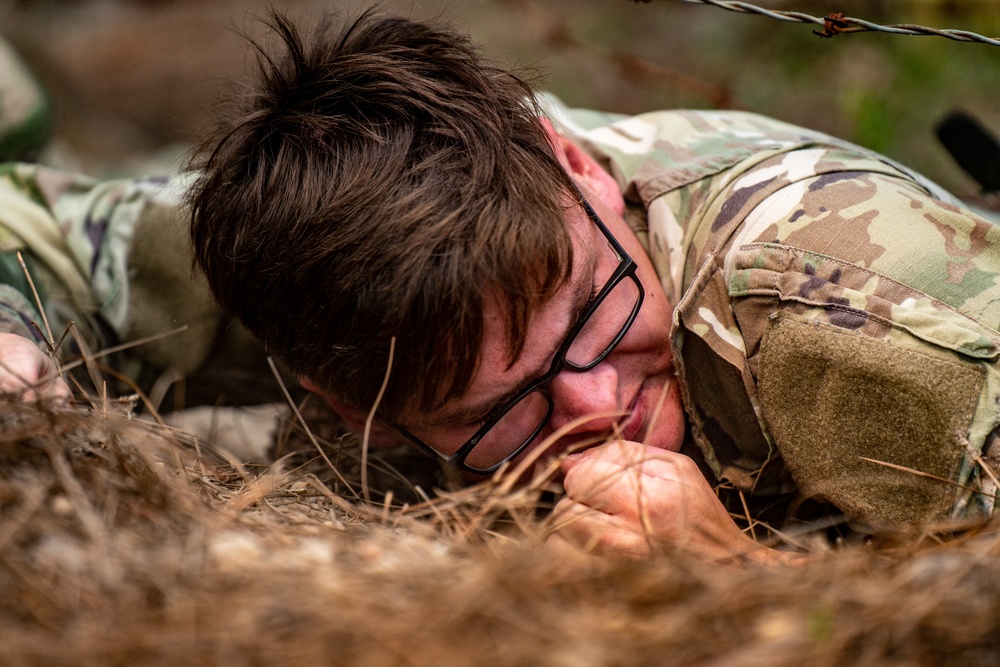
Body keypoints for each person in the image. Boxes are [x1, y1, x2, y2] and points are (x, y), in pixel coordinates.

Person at [5, 12, 1000, 565]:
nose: (597, 408)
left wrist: (741, 585)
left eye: (595, 318)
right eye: (500, 407)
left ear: (573, 163)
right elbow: (33, 226)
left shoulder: (867, 322)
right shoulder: (312, 250)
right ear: (357, 408)